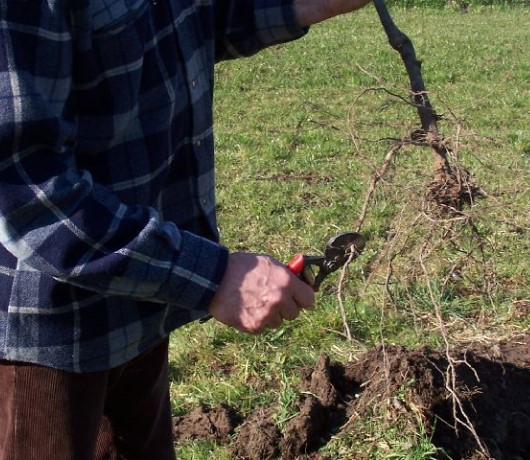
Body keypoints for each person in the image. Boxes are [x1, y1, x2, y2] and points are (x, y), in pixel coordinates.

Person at [0, 0, 369, 458]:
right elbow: (24, 191)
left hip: (138, 302)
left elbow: (188, 24)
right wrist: (211, 276)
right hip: (46, 335)